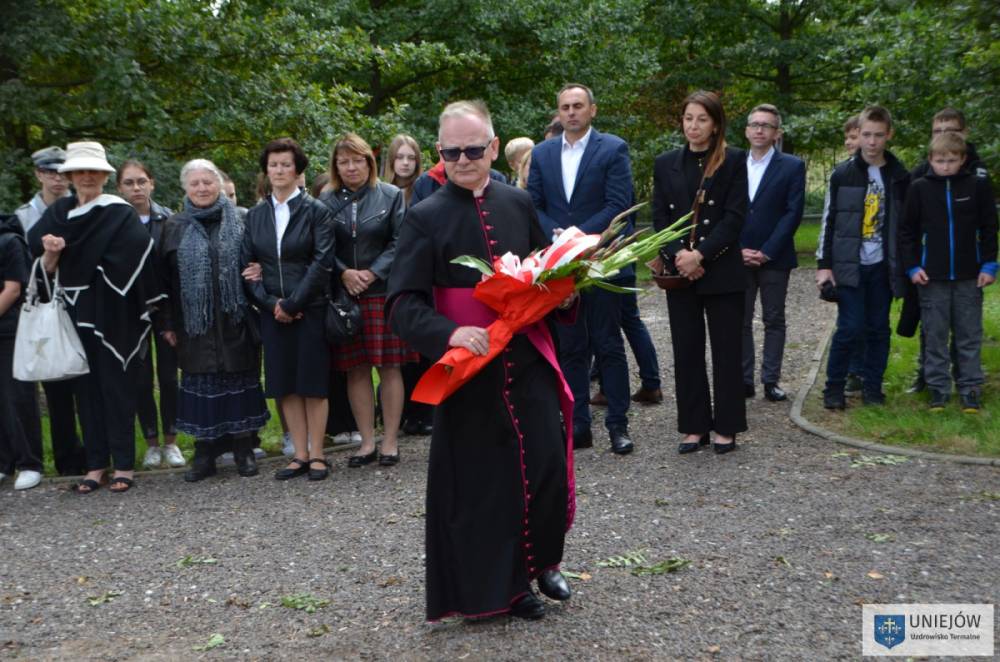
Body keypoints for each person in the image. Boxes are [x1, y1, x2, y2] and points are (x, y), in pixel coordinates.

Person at [387, 99, 574, 622]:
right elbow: (402, 303)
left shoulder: (518, 202)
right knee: (486, 484)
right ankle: (503, 588)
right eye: (452, 153)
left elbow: (544, 273)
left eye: (472, 150)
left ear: (493, 147)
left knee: (544, 466)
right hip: (469, 369)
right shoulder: (423, 217)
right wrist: (449, 331)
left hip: (527, 356)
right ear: (439, 152)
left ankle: (544, 562)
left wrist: (567, 296)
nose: (463, 160)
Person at [28, 141, 164, 493]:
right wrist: (51, 255)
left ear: (104, 176)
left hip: (112, 313)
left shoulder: (118, 212)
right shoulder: (59, 212)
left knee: (115, 388)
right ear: (70, 175)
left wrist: (87, 271)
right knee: (85, 392)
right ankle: (95, 465)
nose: (87, 177)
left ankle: (124, 464)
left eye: (94, 171)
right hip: (71, 313)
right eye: (80, 171)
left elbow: (136, 255)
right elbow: (38, 256)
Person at [527, 83, 637, 454]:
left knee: (608, 344)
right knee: (571, 348)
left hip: (601, 259)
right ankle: (578, 426)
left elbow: (618, 205)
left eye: (578, 106)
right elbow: (533, 204)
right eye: (565, 107)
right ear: (558, 112)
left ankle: (618, 425)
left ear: (592, 109)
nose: (571, 112)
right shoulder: (542, 153)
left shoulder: (613, 148)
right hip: (561, 265)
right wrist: (559, 239)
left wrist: (579, 237)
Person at [157, 159, 270, 481]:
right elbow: (163, 281)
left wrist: (260, 269)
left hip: (237, 321)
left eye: (208, 182)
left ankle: (244, 449)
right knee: (202, 386)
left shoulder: (242, 219)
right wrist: (167, 323)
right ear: (185, 188)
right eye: (195, 183)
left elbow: (262, 258)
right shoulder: (174, 226)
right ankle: (204, 454)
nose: (202, 188)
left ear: (219, 184)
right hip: (194, 326)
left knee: (239, 382)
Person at [651, 90, 748, 454]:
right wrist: (680, 255)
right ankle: (694, 426)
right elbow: (660, 217)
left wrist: (701, 255)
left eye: (702, 119)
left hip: (721, 269)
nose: (693, 126)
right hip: (681, 273)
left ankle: (726, 427)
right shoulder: (665, 163)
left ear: (716, 124)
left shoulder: (733, 161)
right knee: (686, 350)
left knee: (726, 351)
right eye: (688, 118)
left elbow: (734, 217)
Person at [242, 138, 335, 481]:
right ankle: (299, 454)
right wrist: (272, 305)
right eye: (273, 165)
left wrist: (294, 303)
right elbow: (247, 267)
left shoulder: (316, 211)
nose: (279, 170)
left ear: (298, 170)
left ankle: (318, 454)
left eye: (286, 164)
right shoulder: (255, 215)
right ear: (266, 171)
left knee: (312, 383)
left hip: (310, 308)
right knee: (286, 384)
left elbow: (322, 262)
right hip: (273, 312)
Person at [321, 133, 412, 467]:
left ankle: (390, 442)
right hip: (345, 297)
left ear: (369, 162)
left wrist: (373, 273)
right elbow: (321, 246)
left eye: (357, 160)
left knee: (389, 367)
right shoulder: (326, 200)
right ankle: (367, 442)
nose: (351, 167)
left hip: (381, 292)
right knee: (356, 370)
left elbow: (401, 241)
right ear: (335, 166)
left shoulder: (390, 195)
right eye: (343, 162)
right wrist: (344, 272)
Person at [816, 106, 910, 409]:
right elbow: (829, 221)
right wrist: (824, 265)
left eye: (878, 135)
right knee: (849, 327)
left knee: (878, 328)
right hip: (849, 264)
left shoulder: (899, 176)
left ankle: (872, 388)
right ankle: (834, 387)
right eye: (866, 135)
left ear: (889, 135)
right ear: (859, 134)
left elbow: (906, 226)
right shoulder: (843, 174)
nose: (871, 142)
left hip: (884, 265)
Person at [899, 132, 997, 412]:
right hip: (932, 277)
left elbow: (989, 228)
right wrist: (913, 266)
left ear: (962, 159)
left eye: (952, 160)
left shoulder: (977, 186)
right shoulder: (919, 188)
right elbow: (906, 232)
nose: (946, 166)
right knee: (935, 335)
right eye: (940, 161)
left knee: (969, 335)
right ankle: (938, 389)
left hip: (970, 276)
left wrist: (989, 264)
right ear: (930, 159)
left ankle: (970, 388)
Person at [16, 147, 85, 476]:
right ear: (38, 174)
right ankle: (66, 458)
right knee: (56, 387)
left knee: (88, 386)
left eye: (62, 173)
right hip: (43, 308)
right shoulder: (22, 217)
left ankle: (96, 455)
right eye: (49, 172)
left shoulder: (82, 207)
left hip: (80, 303)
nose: (57, 179)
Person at [116, 159, 185, 470]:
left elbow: (174, 271)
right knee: (140, 380)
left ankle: (171, 441)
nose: (136, 188)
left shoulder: (168, 220)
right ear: (120, 188)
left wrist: (171, 318)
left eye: (141, 181)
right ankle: (152, 444)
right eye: (129, 183)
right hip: (131, 313)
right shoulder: (115, 222)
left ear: (152, 183)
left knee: (169, 378)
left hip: (166, 310)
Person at [739, 104, 806, 402]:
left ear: (776, 133)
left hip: (775, 257)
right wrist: (738, 249)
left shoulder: (792, 166)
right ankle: (744, 380)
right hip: (739, 255)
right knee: (740, 320)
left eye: (766, 125)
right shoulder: (732, 163)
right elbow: (727, 211)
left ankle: (771, 380)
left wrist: (767, 251)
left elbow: (793, 213)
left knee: (774, 318)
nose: (759, 130)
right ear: (746, 130)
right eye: (755, 124)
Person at [0, 213, 43, 490]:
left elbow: (13, 290)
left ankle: (30, 463)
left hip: (10, 332)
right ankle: (4, 463)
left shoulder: (9, 241)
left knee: (18, 398)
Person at [381, 134, 423, 206]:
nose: (405, 163)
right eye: (399, 157)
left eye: (411, 158)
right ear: (391, 160)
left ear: (417, 162)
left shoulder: (424, 192)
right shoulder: (380, 193)